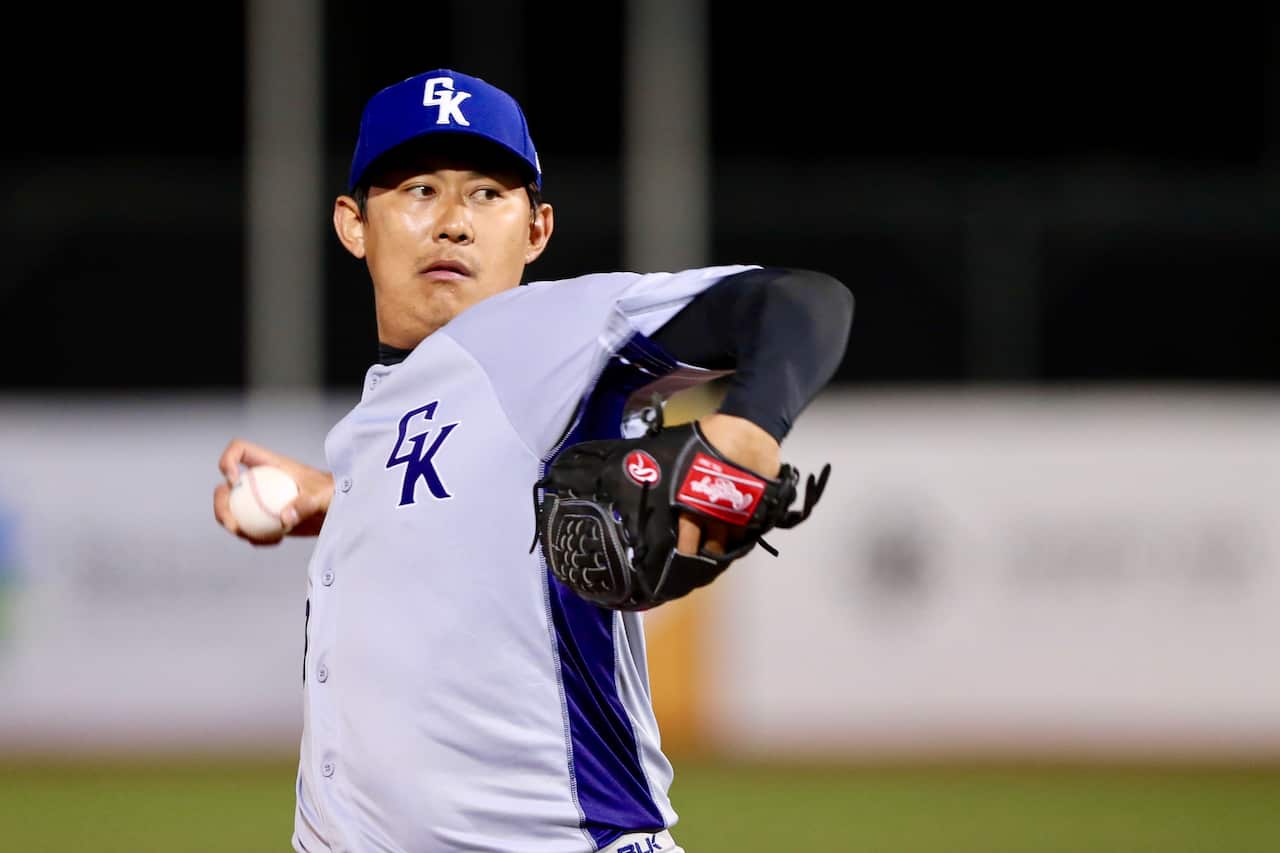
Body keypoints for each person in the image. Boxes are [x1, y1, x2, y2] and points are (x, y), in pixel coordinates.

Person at [213, 68, 854, 853]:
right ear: (354, 224)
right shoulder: (376, 420)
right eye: (419, 189)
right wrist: (341, 499)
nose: (453, 221)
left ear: (537, 230)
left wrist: (748, 434)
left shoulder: (551, 331)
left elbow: (798, 302)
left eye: (488, 193)